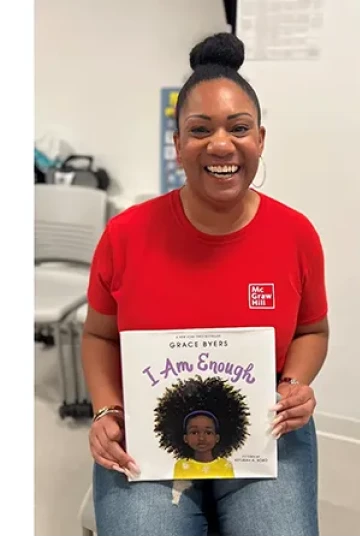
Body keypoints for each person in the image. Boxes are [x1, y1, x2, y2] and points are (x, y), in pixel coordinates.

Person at [81, 33, 329, 536]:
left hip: (265, 427)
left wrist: (296, 385)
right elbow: (99, 336)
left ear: (260, 138)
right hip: (146, 432)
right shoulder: (125, 236)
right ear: (177, 144)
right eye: (200, 130)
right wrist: (106, 410)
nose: (221, 145)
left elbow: (313, 330)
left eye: (238, 128)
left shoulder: (296, 235)